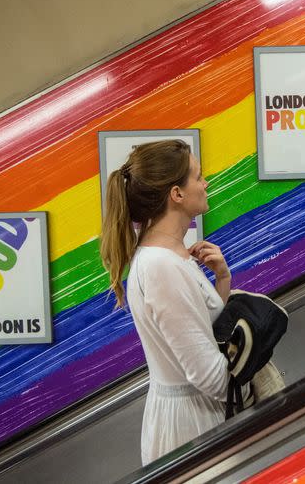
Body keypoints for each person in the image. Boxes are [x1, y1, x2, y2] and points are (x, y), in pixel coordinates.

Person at [99, 139, 235, 465]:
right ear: (176, 194)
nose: (206, 184)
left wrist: (223, 280)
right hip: (192, 427)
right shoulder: (161, 266)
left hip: (195, 416)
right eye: (198, 177)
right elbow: (210, 377)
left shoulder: (171, 254)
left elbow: (202, 331)